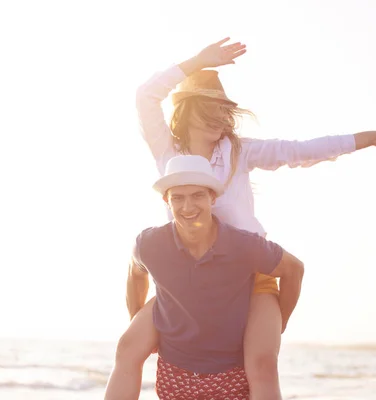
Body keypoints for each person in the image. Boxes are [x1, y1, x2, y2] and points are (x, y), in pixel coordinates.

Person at [105, 37, 376, 400]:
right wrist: (196, 61)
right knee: (127, 348)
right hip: (186, 278)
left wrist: (369, 138)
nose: (221, 117)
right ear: (187, 110)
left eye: (224, 110)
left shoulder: (239, 152)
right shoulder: (168, 151)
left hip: (251, 275)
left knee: (262, 364)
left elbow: (300, 151)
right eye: (211, 109)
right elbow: (145, 95)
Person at [127, 154, 304, 399]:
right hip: (180, 347)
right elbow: (135, 272)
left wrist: (281, 321)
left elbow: (294, 268)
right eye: (178, 198)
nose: (188, 207)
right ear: (167, 200)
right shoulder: (149, 242)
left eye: (198, 195)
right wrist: (137, 321)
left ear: (213, 197)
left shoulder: (243, 244)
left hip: (251, 296)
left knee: (263, 364)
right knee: (127, 346)